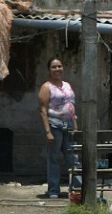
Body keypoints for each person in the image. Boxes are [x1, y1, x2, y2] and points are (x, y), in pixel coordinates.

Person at [38, 57, 79, 199]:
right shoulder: (46, 87)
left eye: (59, 66)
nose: (57, 69)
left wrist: (75, 125)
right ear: (49, 70)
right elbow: (43, 110)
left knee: (73, 158)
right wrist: (48, 131)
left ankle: (76, 189)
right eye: (54, 67)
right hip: (54, 125)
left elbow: (71, 107)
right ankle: (54, 190)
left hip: (69, 125)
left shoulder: (67, 85)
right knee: (54, 158)